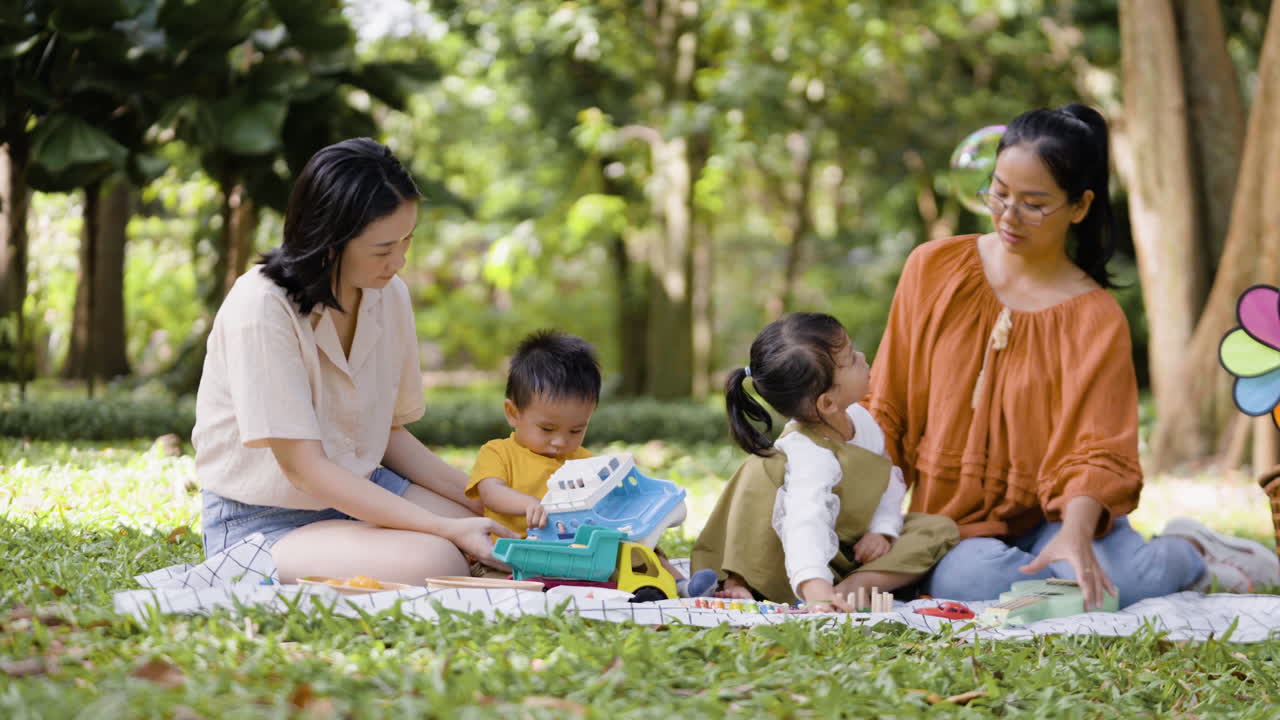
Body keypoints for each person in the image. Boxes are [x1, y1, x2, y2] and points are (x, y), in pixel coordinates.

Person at [865, 103, 1280, 610]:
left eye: (1034, 204)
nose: (1008, 216)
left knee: (1113, 577)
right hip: (957, 526)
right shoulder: (933, 269)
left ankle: (1193, 553)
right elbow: (888, 407)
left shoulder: (1095, 317)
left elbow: (1099, 449)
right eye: (999, 192)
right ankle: (1067, 579)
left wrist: (1076, 534)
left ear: (1079, 207)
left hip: (1064, 514)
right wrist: (870, 523)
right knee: (960, 583)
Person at [194, 137, 517, 586]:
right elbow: (303, 469)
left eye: (407, 240)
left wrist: (487, 496)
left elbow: (386, 433)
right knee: (439, 560)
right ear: (329, 243)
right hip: (265, 520)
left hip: (363, 489)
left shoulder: (388, 295)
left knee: (511, 536)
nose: (400, 262)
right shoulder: (262, 306)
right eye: (383, 250)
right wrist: (447, 528)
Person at [691, 313, 959, 611]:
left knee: (937, 528)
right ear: (827, 402)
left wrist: (881, 530)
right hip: (799, 556)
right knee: (765, 477)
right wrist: (815, 589)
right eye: (850, 359)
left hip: (850, 549)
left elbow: (888, 481)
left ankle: (854, 586)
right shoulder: (808, 453)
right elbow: (806, 522)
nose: (862, 357)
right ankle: (748, 584)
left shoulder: (860, 419)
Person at [467, 330, 717, 597]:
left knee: (639, 545)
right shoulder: (499, 452)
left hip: (576, 554)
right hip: (515, 555)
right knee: (508, 585)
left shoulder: (585, 462)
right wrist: (528, 504)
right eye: (547, 429)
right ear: (513, 413)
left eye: (576, 430)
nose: (561, 442)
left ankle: (681, 584)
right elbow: (490, 491)